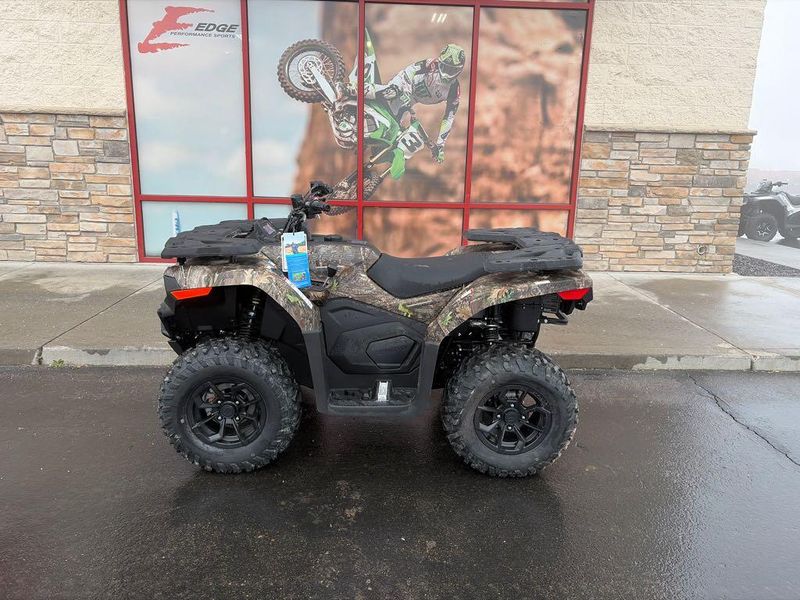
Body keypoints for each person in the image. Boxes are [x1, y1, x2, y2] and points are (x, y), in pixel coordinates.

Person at [365, 43, 466, 164]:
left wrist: (440, 145)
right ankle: (355, 89)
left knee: (392, 130)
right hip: (404, 84)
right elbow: (411, 69)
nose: (447, 73)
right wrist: (404, 90)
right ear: (440, 62)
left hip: (411, 99)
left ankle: (370, 144)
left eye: (452, 70)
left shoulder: (454, 90)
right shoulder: (431, 64)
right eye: (445, 67)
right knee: (391, 92)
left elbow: (448, 118)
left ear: (459, 69)